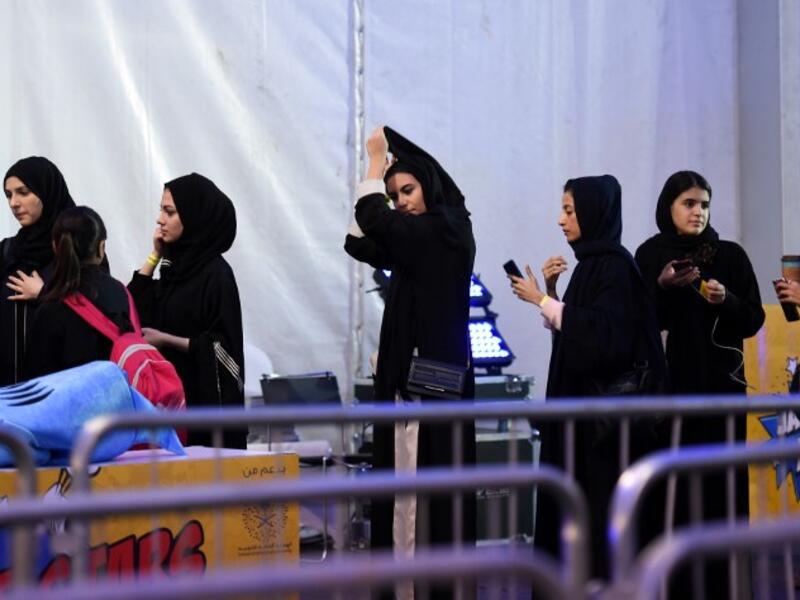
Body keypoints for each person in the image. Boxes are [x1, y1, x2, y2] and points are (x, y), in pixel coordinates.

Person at [509, 174, 666, 581]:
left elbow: (604, 338)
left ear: (594, 212)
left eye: (569, 210)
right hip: (585, 425)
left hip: (601, 436)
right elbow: (580, 334)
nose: (561, 220)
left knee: (593, 518)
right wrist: (550, 291)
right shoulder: (592, 266)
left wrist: (541, 299)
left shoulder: (615, 268)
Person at [344, 126, 476, 599]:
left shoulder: (448, 229)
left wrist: (378, 161)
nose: (399, 201)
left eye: (408, 190)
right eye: (393, 194)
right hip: (405, 389)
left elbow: (376, 221)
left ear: (430, 186)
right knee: (402, 502)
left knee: (425, 507)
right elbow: (360, 238)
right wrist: (374, 177)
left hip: (433, 393)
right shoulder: (417, 237)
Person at [634, 170, 764, 597]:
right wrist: (663, 286)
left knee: (721, 488)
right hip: (670, 392)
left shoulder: (729, 255)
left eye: (704, 204)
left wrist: (726, 300)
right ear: (668, 206)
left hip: (721, 390)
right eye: (689, 203)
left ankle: (725, 582)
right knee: (674, 487)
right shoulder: (651, 255)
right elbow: (638, 322)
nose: (698, 212)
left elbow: (753, 320)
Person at [128, 173, 245, 449]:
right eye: (161, 210)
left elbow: (225, 350)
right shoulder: (172, 268)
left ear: (194, 217)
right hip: (166, 404)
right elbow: (130, 310)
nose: (160, 219)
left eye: (169, 212)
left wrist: (167, 340)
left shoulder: (216, 275)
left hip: (200, 408)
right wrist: (153, 257)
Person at [24, 207, 133, 378]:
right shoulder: (120, 291)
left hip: (73, 403)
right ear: (101, 247)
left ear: (55, 247)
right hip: (120, 400)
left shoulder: (51, 308)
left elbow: (37, 381)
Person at [1, 157, 76, 385]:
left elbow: (97, 313)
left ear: (46, 191)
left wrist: (46, 294)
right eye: (9, 195)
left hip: (59, 390)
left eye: (23, 192)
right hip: (8, 395)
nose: (14, 203)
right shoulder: (7, 250)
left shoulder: (78, 249)